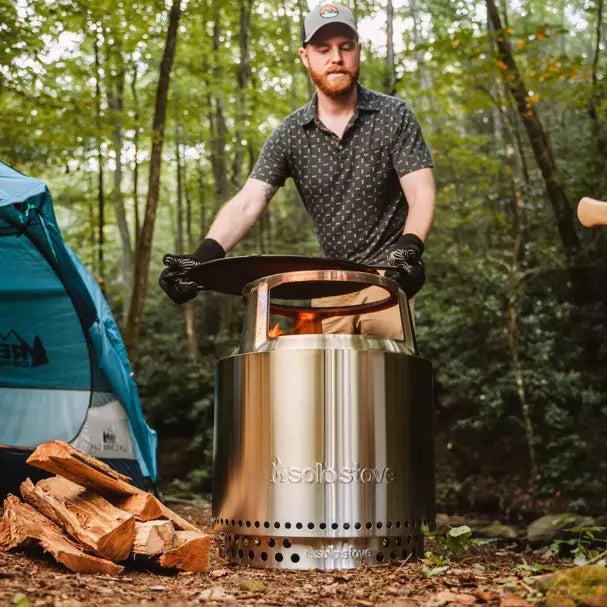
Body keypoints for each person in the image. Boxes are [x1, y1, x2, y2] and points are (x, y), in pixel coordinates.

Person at [160, 3, 435, 338]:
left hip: (387, 281)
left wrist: (410, 248)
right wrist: (202, 260)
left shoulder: (395, 116)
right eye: (323, 49)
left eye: (345, 47)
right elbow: (249, 201)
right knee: (327, 384)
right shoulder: (290, 133)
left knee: (385, 380)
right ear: (306, 57)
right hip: (330, 288)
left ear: (358, 51)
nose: (336, 57)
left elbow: (420, 191)